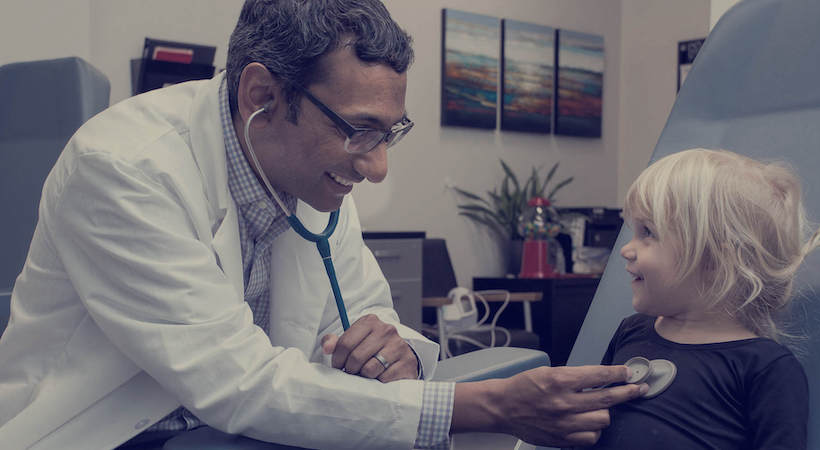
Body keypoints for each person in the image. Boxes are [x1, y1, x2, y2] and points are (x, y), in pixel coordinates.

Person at [0, 1, 646, 449]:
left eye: (389, 134)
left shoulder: (316, 175)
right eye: (360, 131)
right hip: (109, 433)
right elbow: (239, 381)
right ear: (261, 97)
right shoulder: (124, 169)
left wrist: (394, 349)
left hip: (233, 433)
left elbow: (365, 313)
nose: (379, 167)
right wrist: (488, 407)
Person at [584, 148, 820, 449]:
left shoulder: (763, 368)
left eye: (648, 232)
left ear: (715, 259)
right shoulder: (630, 332)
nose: (627, 249)